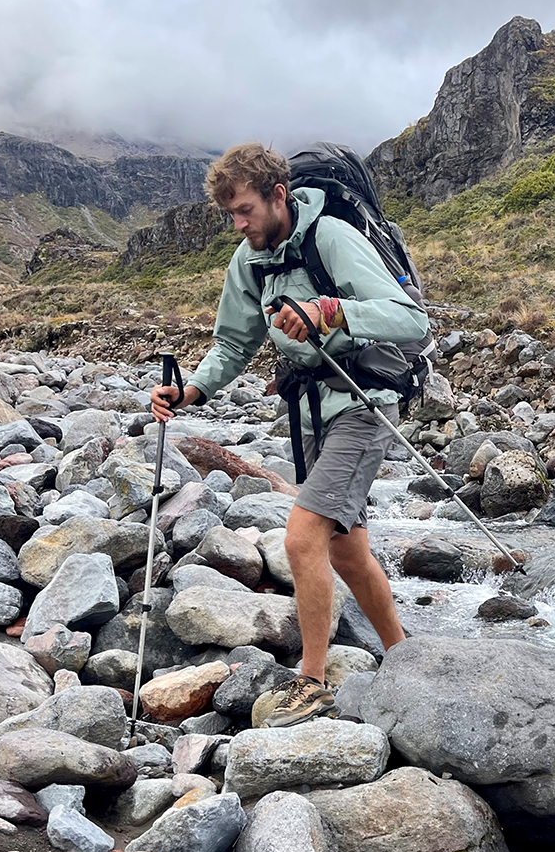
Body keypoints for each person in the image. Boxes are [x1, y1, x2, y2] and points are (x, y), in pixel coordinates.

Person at [149, 143, 425, 727]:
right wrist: (190, 391)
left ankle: (312, 682)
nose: (238, 224)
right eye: (230, 214)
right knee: (346, 550)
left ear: (278, 196)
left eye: (245, 210)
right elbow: (233, 343)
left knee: (301, 540)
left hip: (362, 403)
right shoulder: (249, 262)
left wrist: (330, 311)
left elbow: (410, 318)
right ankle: (405, 658)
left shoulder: (333, 238)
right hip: (309, 414)